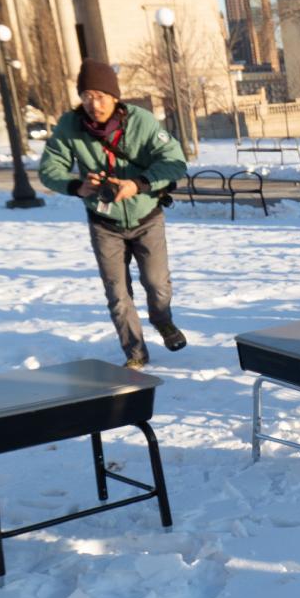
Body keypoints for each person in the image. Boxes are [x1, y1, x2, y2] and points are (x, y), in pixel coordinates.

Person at [38, 59, 188, 369]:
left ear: (115, 96)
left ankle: (163, 321)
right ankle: (135, 353)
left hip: (146, 217)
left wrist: (137, 184)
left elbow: (175, 161)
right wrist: (76, 185)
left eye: (102, 95)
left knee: (157, 284)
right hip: (104, 224)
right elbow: (49, 168)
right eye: (87, 95)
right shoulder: (70, 125)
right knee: (118, 295)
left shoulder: (141, 121)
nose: (94, 103)